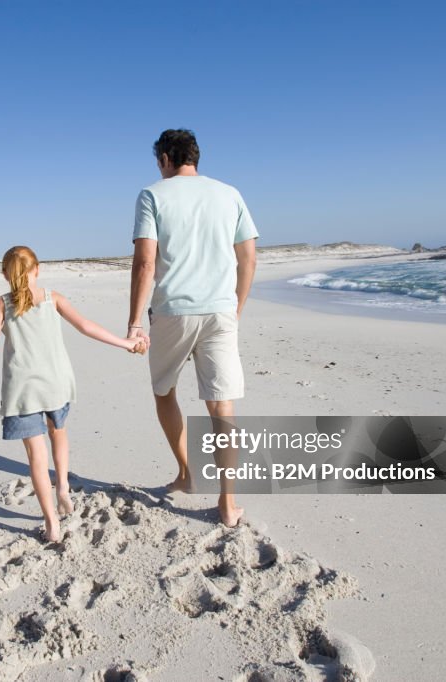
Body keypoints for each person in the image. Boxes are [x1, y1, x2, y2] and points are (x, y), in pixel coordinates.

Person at [0, 246, 145, 542]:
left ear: (5, 274)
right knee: (59, 432)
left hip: (23, 391)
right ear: (37, 269)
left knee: (36, 456)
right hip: (56, 383)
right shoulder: (52, 298)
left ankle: (51, 524)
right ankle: (63, 489)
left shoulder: (2, 304)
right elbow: (86, 327)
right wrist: (126, 343)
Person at [127, 129, 258, 527]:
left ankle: (186, 473)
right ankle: (228, 503)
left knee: (163, 391)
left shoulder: (152, 194)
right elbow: (249, 257)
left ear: (166, 157)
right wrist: (236, 306)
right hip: (221, 312)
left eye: (158, 162)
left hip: (172, 312)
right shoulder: (229, 193)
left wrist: (135, 320)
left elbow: (146, 263)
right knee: (222, 408)